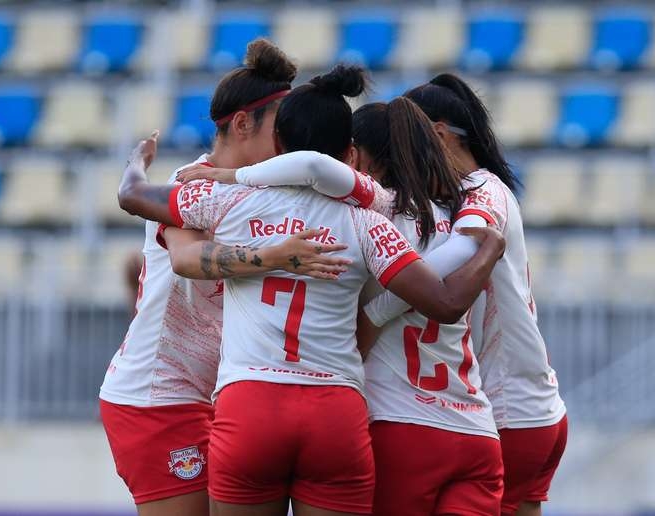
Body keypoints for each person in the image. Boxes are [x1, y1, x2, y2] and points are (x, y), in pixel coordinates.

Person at [117, 65, 505, 516]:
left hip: (251, 405)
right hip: (335, 413)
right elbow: (446, 303)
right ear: (350, 152)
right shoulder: (369, 218)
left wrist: (137, 163)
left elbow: (132, 196)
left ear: (279, 144)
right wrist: (488, 250)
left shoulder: (225, 200)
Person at [100, 39, 349, 516]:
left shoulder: (265, 190)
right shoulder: (193, 181)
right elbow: (187, 258)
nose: (289, 143)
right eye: (280, 128)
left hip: (215, 397)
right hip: (158, 396)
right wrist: (276, 257)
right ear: (242, 124)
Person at [403, 74, 568, 516]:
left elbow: (467, 244)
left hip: (508, 407)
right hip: (534, 403)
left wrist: (385, 288)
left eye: (407, 141)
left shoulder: (480, 190)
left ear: (439, 135)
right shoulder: (484, 189)